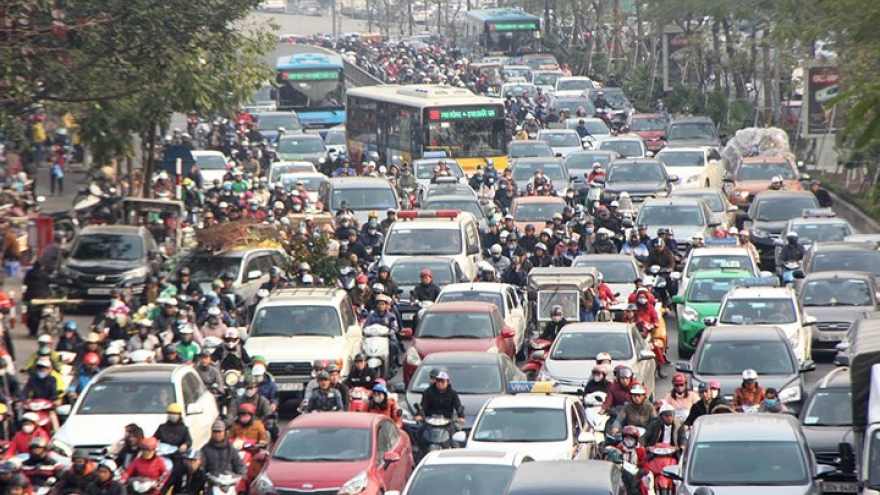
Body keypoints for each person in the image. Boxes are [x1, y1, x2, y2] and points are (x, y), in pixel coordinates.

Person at [154, 403, 192, 473]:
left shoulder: (183, 429)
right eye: (171, 413)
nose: (173, 415)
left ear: (179, 415)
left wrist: (185, 445)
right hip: (163, 455)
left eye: (175, 413)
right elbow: (154, 439)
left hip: (177, 456)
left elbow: (188, 440)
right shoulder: (162, 427)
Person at [613, 425, 649, 495]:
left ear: (636, 440)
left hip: (636, 477)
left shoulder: (640, 450)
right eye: (626, 438)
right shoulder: (619, 449)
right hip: (621, 476)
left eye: (631, 438)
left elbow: (645, 466)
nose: (628, 440)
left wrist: (641, 471)